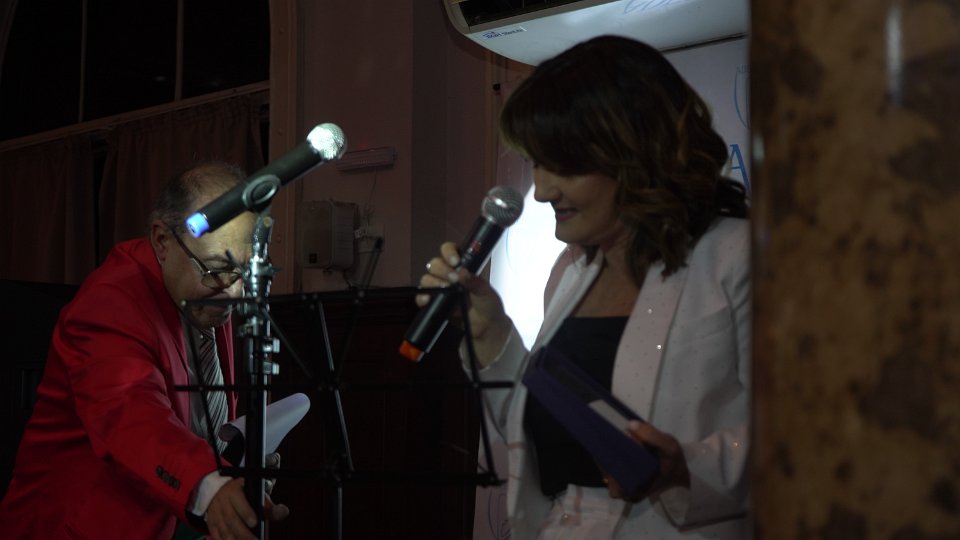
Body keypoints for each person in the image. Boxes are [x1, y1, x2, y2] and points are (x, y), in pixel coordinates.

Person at [417, 36, 751, 539]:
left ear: (635, 152)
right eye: (536, 163)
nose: (543, 191)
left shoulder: (738, 256)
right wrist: (491, 335)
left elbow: (804, 438)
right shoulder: (572, 271)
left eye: (564, 166)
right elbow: (544, 431)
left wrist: (684, 467)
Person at [0, 162, 289, 539]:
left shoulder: (211, 290)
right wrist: (210, 485)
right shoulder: (108, 303)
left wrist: (235, 472)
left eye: (244, 272)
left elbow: (201, 420)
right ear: (162, 241)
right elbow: (134, 417)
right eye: (217, 270)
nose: (235, 293)